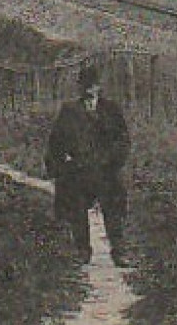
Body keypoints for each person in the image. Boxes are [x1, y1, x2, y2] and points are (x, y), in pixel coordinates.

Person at [44, 62, 131, 266]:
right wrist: (59, 166)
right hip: (78, 170)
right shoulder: (69, 111)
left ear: (99, 86)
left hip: (105, 171)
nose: (89, 89)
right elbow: (56, 140)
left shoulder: (111, 110)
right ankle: (82, 250)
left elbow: (123, 140)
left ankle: (118, 251)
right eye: (85, 85)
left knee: (113, 210)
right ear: (80, 87)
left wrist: (113, 161)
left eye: (93, 85)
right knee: (77, 211)